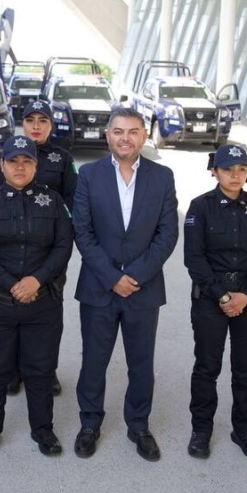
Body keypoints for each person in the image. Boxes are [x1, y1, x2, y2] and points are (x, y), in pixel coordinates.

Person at [72, 107, 178, 461]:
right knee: (94, 361)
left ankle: (138, 425)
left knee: (141, 363)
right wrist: (112, 277)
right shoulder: (88, 175)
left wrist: (136, 276)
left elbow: (167, 233)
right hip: (98, 288)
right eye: (118, 131)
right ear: (107, 135)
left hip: (143, 289)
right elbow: (83, 232)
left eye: (133, 131)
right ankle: (90, 423)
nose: (125, 138)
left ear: (144, 136)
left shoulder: (162, 177)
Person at [0, 136, 73, 457]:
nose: (20, 167)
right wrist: (12, 283)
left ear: (35, 166)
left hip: (42, 304)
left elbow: (63, 246)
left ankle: (43, 430)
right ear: (2, 165)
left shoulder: (53, 202)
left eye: (26, 161)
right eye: (13, 161)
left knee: (40, 370)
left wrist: (36, 281)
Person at [182, 145, 247, 460]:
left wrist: (245, 295)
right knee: (207, 367)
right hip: (211, 299)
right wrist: (222, 295)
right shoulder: (200, 207)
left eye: (242, 169)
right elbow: (194, 259)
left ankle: (244, 430)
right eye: (228, 169)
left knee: (246, 371)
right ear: (214, 171)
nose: (236, 175)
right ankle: (201, 429)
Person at [0, 98, 76, 396]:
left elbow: (72, 204)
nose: (36, 126)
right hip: (12, 251)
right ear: (21, 124)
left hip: (49, 252)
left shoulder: (63, 159)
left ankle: (45, 369)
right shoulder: (5, 157)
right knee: (13, 307)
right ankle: (14, 369)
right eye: (30, 121)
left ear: (52, 125)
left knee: (48, 313)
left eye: (43, 121)